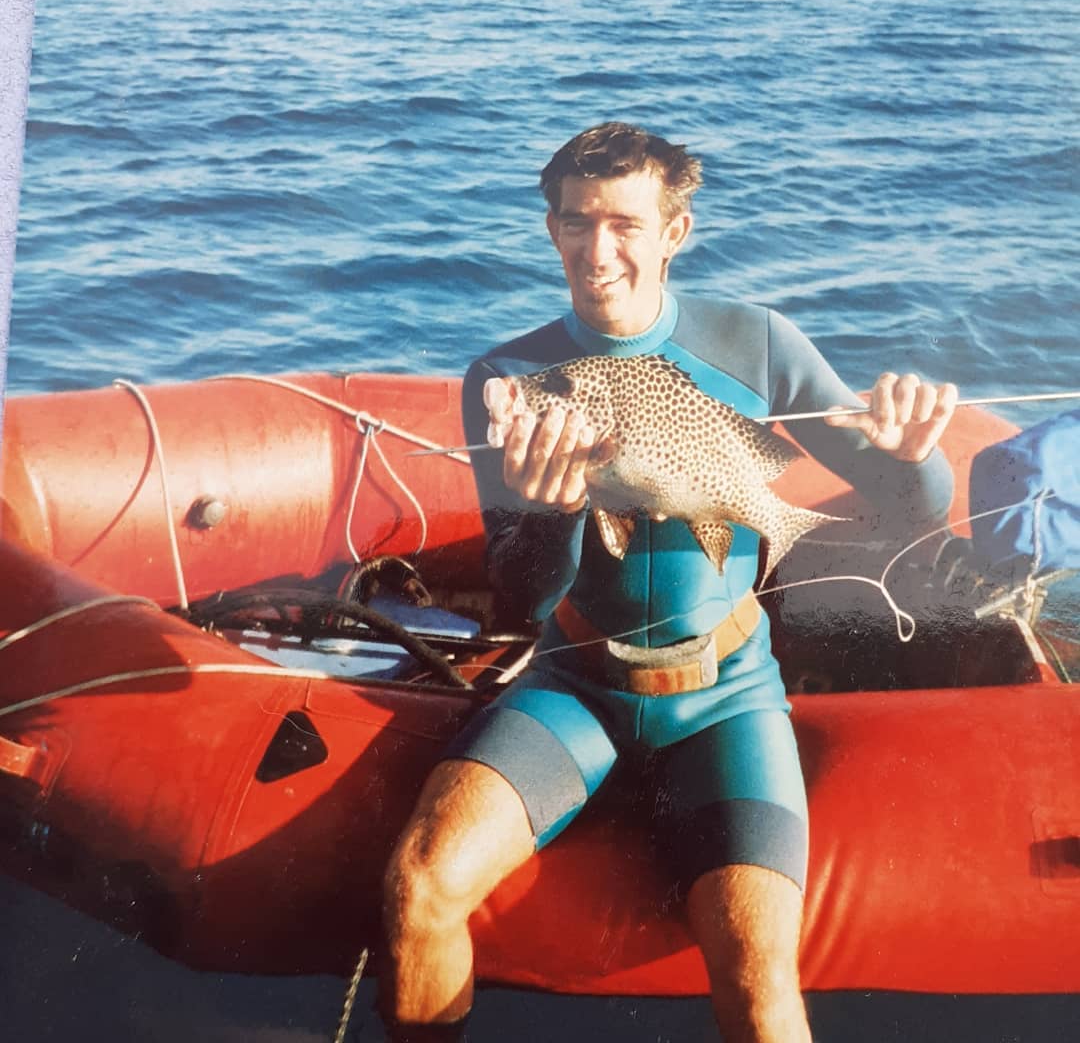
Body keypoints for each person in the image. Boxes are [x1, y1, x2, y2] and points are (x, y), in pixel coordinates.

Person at [381, 122, 958, 1042]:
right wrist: (554, 509)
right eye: (575, 223)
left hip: (727, 698)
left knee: (762, 973)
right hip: (575, 687)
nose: (596, 250)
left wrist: (916, 460)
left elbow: (910, 503)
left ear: (675, 230)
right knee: (420, 883)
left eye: (623, 224)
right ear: (550, 229)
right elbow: (523, 596)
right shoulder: (507, 377)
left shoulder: (759, 343)